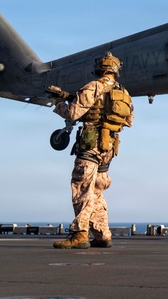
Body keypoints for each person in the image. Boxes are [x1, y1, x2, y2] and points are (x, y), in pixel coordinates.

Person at [51, 52, 133, 250]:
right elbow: (129, 121)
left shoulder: (93, 86)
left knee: (82, 187)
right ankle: (102, 234)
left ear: (100, 68)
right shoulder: (124, 93)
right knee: (97, 190)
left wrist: (58, 103)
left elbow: (73, 113)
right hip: (109, 147)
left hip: (90, 144)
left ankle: (80, 233)